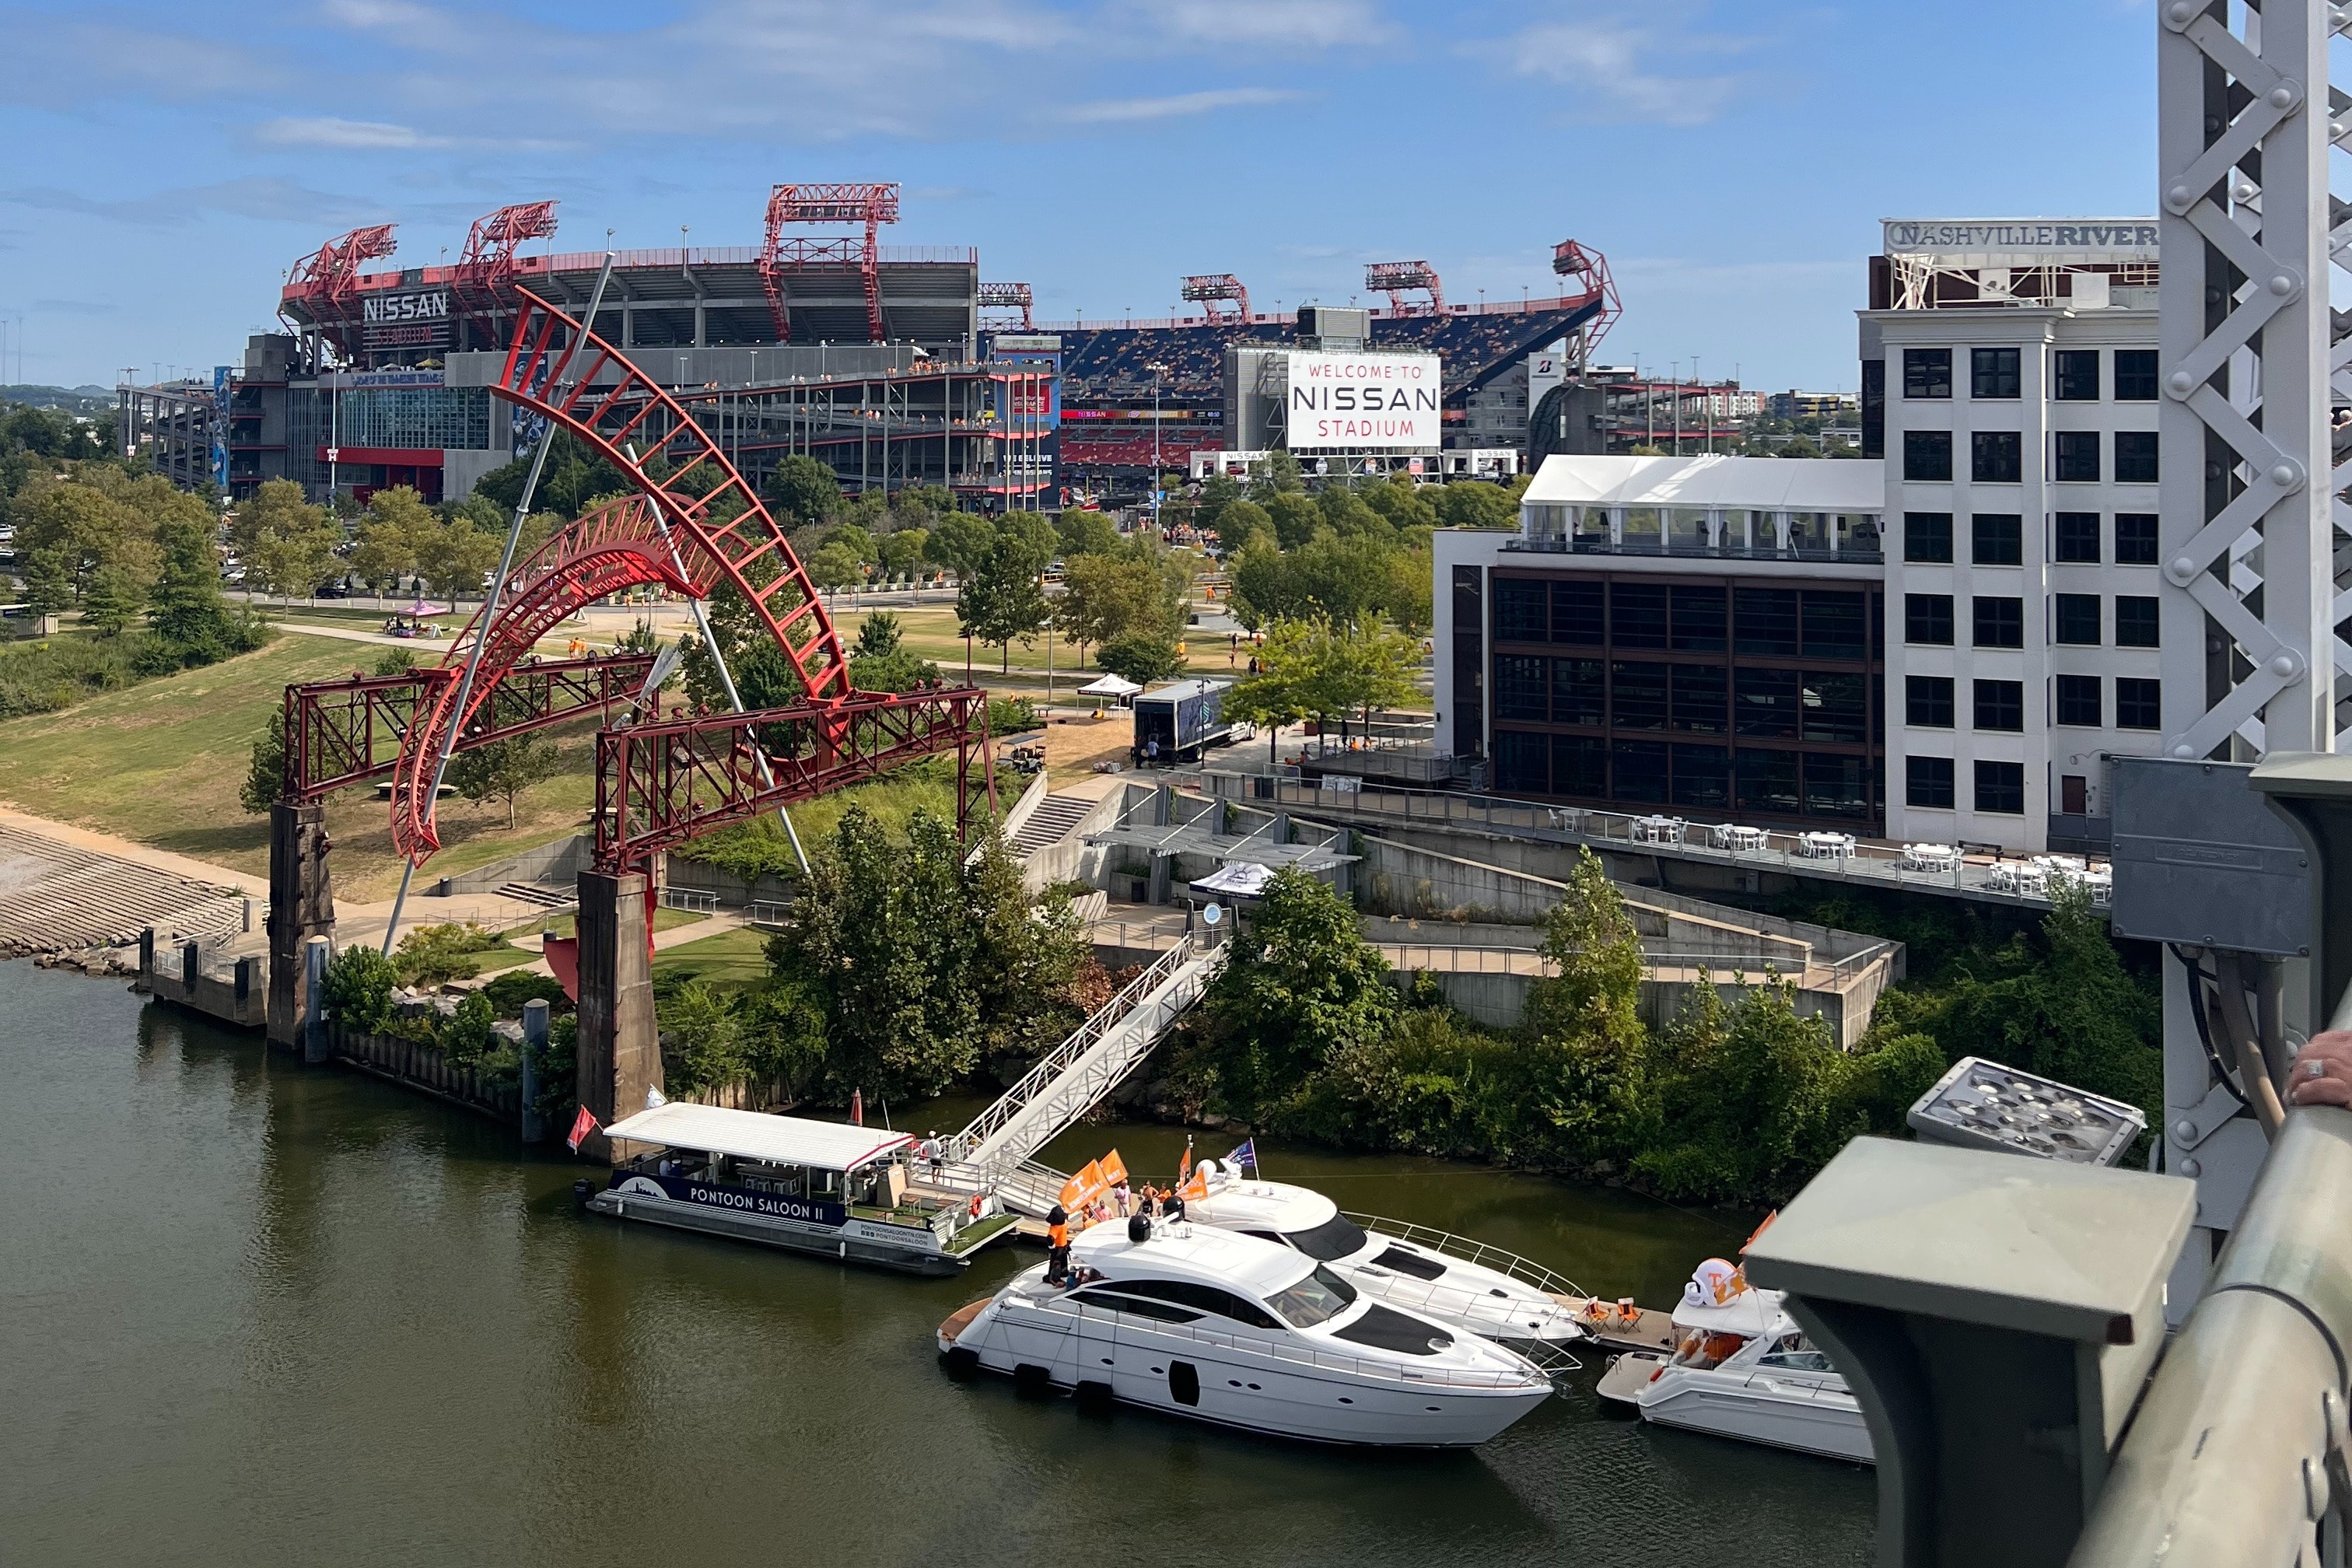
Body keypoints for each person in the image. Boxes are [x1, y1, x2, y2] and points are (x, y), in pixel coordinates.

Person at [1045, 1204, 1070, 1284]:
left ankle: (1054, 1278)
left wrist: (1051, 1248)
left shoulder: (1055, 1228)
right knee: (1064, 1260)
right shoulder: (1065, 1223)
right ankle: (1064, 1272)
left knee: (1055, 1263)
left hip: (1057, 1247)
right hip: (1065, 1245)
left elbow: (1050, 1238)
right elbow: (1066, 1216)